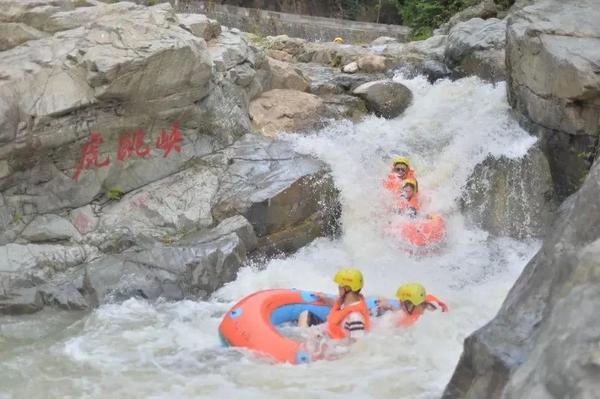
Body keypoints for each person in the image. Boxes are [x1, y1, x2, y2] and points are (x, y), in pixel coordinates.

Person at [298, 268, 371, 340]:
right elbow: (341, 307)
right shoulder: (347, 302)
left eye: (340, 286)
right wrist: (325, 299)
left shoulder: (355, 317)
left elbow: (357, 344)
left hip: (334, 343)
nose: (338, 287)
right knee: (305, 314)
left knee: (307, 334)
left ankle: (300, 345)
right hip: (328, 331)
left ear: (347, 288)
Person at [377, 283, 448, 327]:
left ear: (410, 304)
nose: (400, 303)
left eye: (402, 302)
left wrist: (390, 309)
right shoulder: (432, 302)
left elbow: (392, 328)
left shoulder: (410, 322)